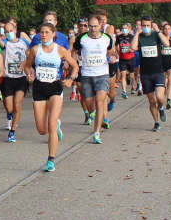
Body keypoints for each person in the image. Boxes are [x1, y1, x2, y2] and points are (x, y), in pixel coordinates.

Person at [22, 22, 79, 172]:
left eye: (47, 32)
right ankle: (55, 125)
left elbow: (75, 66)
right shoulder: (35, 50)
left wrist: (70, 79)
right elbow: (27, 65)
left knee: (51, 124)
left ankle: (51, 159)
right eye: (41, 32)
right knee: (42, 130)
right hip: (39, 88)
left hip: (55, 87)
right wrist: (29, 74)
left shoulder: (60, 50)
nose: (44, 35)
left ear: (53, 34)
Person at [73, 15, 116, 143]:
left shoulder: (106, 38)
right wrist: (73, 62)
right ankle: (95, 115)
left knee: (100, 101)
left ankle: (96, 133)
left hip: (102, 74)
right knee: (91, 105)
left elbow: (111, 51)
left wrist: (112, 57)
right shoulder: (82, 38)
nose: (92, 29)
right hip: (86, 75)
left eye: (95, 26)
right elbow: (74, 50)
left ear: (101, 26)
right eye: (90, 26)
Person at [131, 16, 170, 131]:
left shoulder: (156, 35)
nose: (146, 28)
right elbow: (132, 47)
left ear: (152, 25)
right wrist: (137, 33)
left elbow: (167, 43)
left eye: (148, 25)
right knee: (151, 100)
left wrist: (158, 31)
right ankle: (156, 122)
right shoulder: (140, 36)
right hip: (145, 74)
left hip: (158, 71)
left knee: (159, 97)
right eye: (144, 26)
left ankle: (161, 108)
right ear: (141, 26)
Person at [0, 19, 30, 142]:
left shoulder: (24, 42)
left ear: (15, 30)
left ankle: (12, 132)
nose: (9, 33)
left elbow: (32, 52)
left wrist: (28, 65)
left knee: (17, 105)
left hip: (21, 78)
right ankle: (10, 114)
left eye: (11, 31)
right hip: (8, 79)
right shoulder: (3, 42)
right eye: (6, 31)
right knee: (10, 107)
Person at [159, 21, 171, 109]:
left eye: (168, 29)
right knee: (164, 83)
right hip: (161, 63)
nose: (167, 30)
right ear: (163, 30)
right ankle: (161, 99)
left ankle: (169, 100)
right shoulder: (160, 39)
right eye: (165, 29)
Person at [116, 23, 135, 99]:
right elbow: (116, 45)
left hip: (131, 58)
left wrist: (131, 49)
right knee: (123, 75)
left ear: (129, 29)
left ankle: (133, 87)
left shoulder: (132, 37)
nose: (124, 30)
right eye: (122, 28)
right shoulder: (119, 37)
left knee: (132, 75)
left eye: (125, 28)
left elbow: (135, 46)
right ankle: (124, 91)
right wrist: (117, 52)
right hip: (122, 59)